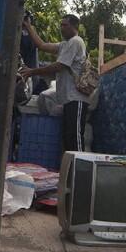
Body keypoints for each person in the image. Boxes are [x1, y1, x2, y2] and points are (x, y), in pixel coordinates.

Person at [21, 14, 90, 152]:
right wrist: (28, 26)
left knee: (74, 138)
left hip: (76, 99)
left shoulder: (76, 41)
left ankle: (78, 170)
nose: (61, 28)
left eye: (65, 25)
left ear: (74, 27)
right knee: (68, 138)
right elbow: (41, 45)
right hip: (68, 99)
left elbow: (59, 66)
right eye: (61, 25)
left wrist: (32, 71)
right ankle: (70, 172)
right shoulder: (65, 44)